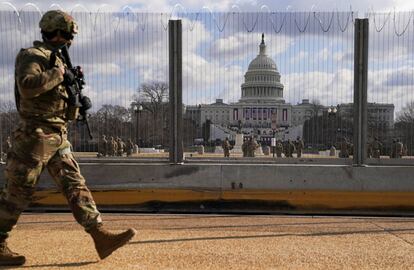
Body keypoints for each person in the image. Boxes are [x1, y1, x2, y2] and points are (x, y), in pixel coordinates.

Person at [0, 10, 136, 266]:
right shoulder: (34, 55)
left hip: (56, 135)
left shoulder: (57, 59)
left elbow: (55, 100)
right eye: (69, 35)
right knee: (17, 192)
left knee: (75, 186)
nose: (70, 41)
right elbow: (28, 86)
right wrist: (59, 75)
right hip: (35, 136)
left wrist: (77, 102)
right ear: (60, 32)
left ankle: (100, 236)